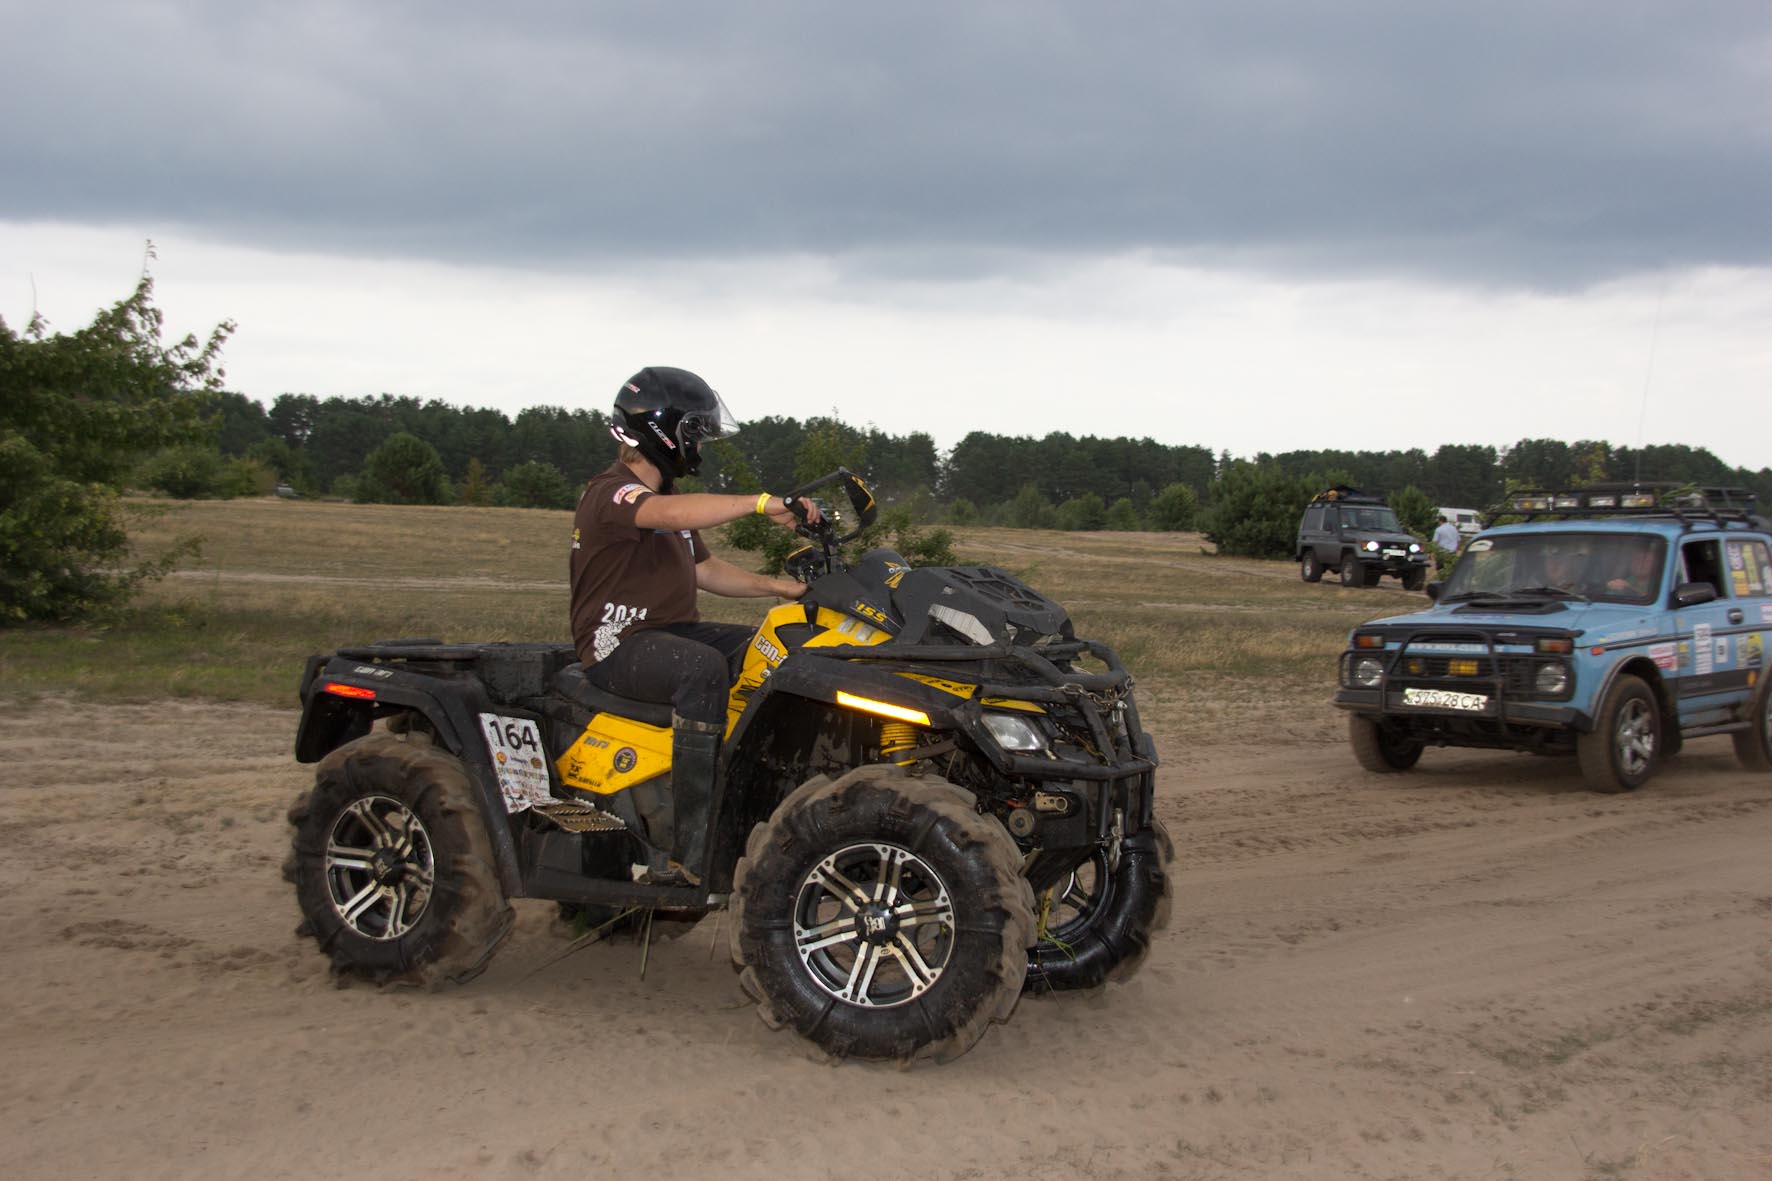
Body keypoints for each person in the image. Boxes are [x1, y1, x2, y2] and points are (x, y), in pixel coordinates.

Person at [569, 366, 821, 884]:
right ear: (665, 433)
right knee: (701, 669)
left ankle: (754, 791)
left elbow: (704, 570)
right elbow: (666, 515)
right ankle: (693, 847)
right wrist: (761, 503)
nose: (700, 448)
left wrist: (779, 589)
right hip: (617, 645)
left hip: (671, 634)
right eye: (697, 434)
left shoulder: (667, 505)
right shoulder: (612, 493)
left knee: (773, 650)